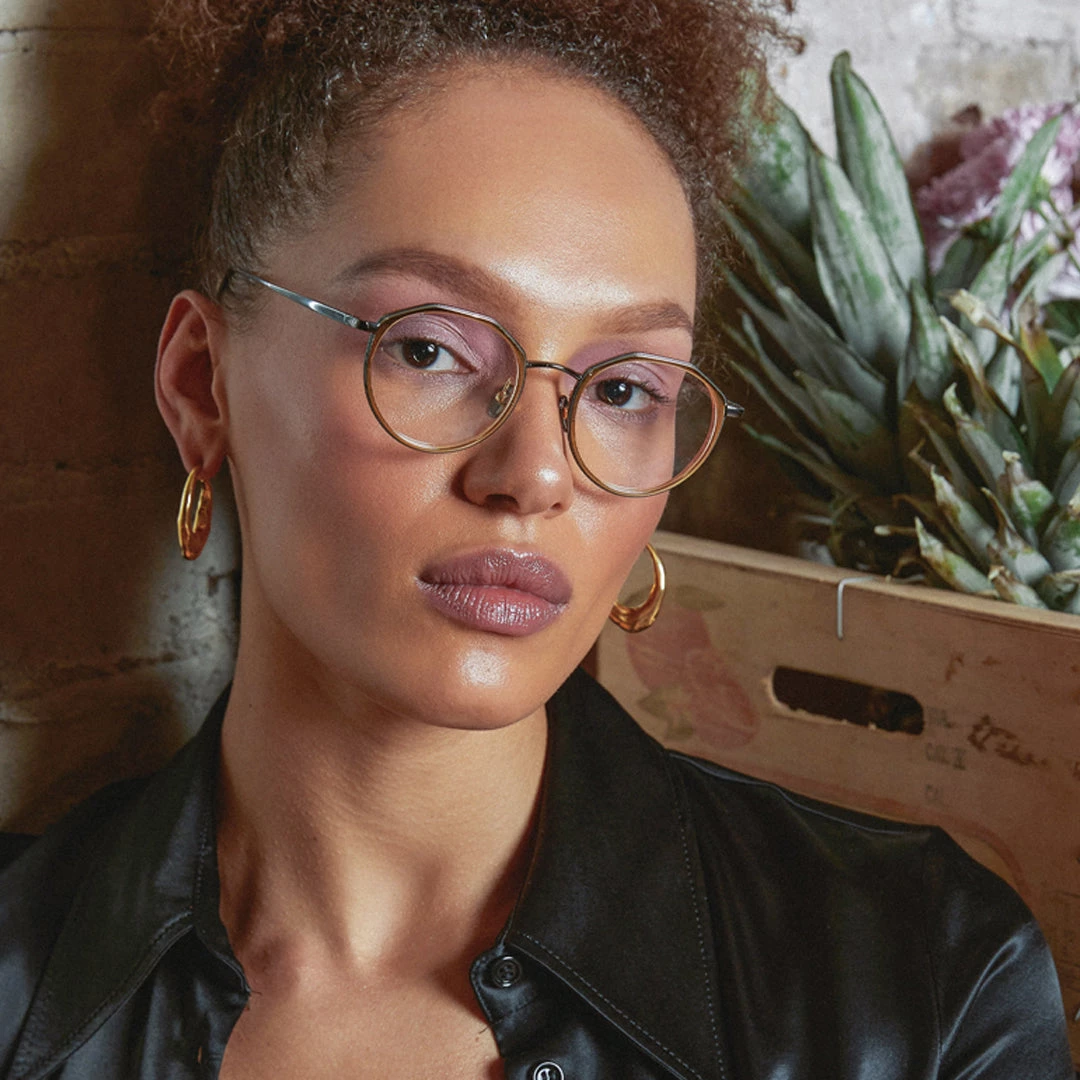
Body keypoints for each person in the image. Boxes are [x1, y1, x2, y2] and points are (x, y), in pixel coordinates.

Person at [0, 1, 1073, 1077]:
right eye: (428, 351)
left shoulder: (927, 987)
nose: (538, 475)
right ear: (203, 386)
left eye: (621, 388)